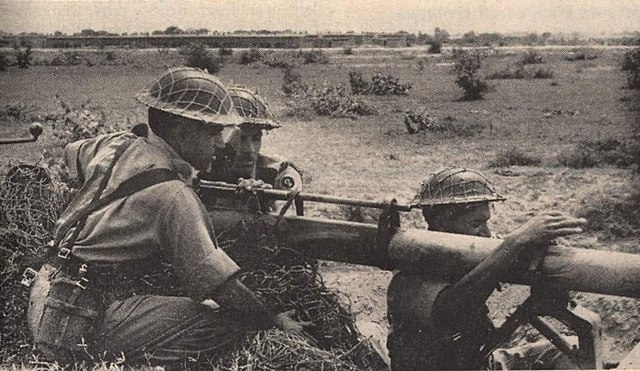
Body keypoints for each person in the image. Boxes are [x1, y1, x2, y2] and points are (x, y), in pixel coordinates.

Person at [27, 67, 311, 367]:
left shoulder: (113, 143)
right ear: (179, 129)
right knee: (224, 321)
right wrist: (272, 320)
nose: (220, 142)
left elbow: (73, 153)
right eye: (213, 130)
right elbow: (221, 286)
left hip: (46, 295)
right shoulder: (173, 196)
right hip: (78, 325)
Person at [387, 168, 586, 370]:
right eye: (476, 223)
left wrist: (539, 252)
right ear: (441, 221)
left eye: (486, 222)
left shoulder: (464, 255)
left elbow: (551, 302)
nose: (486, 232)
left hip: (480, 361)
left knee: (567, 351)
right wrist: (516, 243)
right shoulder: (412, 267)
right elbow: (450, 311)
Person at [198, 86, 302, 211]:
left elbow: (289, 225)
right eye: (241, 139)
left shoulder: (277, 174)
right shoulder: (203, 173)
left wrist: (263, 206)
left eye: (256, 138)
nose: (250, 149)